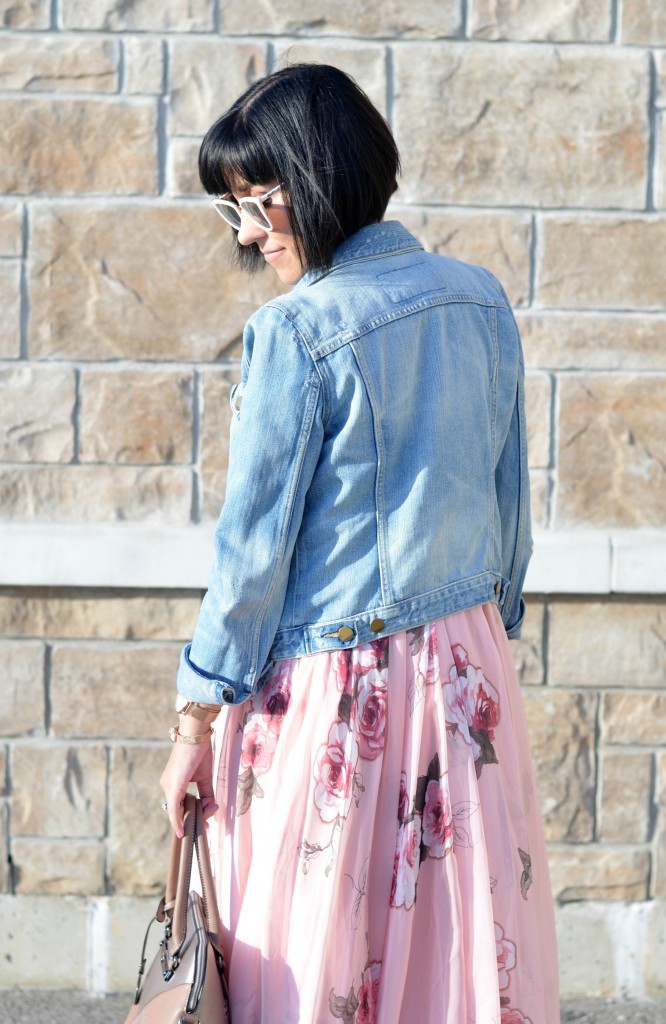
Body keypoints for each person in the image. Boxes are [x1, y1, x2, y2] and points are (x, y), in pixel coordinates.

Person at [160, 63, 559, 1024]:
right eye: (233, 211)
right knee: (455, 965)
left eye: (260, 203)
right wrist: (474, 640)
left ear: (322, 176)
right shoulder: (480, 298)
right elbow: (510, 519)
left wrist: (194, 724)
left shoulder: (296, 332)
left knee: (320, 968)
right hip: (469, 679)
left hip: (338, 696)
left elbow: (252, 561)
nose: (250, 235)